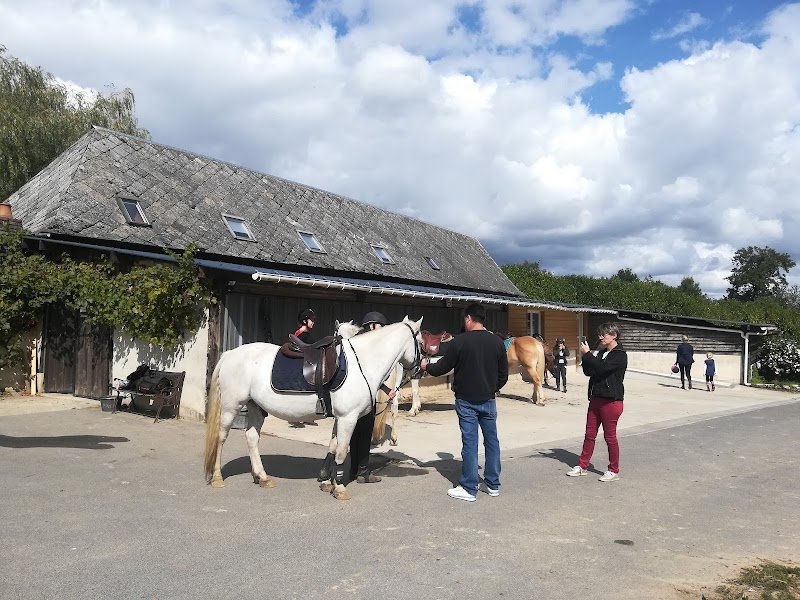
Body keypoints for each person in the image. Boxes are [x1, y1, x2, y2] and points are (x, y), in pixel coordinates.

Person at [420, 303, 508, 502]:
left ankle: (469, 487)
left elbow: (443, 367)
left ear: (468, 318)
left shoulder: (460, 342)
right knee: (492, 441)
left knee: (470, 443)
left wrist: (426, 366)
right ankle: (492, 484)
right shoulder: (497, 342)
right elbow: (503, 376)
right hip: (488, 400)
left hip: (466, 401)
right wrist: (492, 388)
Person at [317, 311, 399, 484]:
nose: (381, 330)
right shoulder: (366, 346)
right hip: (360, 398)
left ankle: (355, 470)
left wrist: (385, 388)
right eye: (380, 326)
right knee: (359, 434)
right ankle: (358, 471)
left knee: (355, 435)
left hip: (359, 396)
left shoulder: (360, 344)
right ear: (374, 325)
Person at [566, 322, 627, 482]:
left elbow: (602, 369)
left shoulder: (620, 355)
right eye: (600, 334)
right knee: (589, 434)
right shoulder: (601, 353)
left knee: (610, 437)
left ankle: (613, 470)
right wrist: (585, 357)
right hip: (595, 398)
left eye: (604, 334)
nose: (600, 337)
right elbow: (589, 371)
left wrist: (588, 355)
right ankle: (582, 466)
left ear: (614, 335)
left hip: (611, 401)